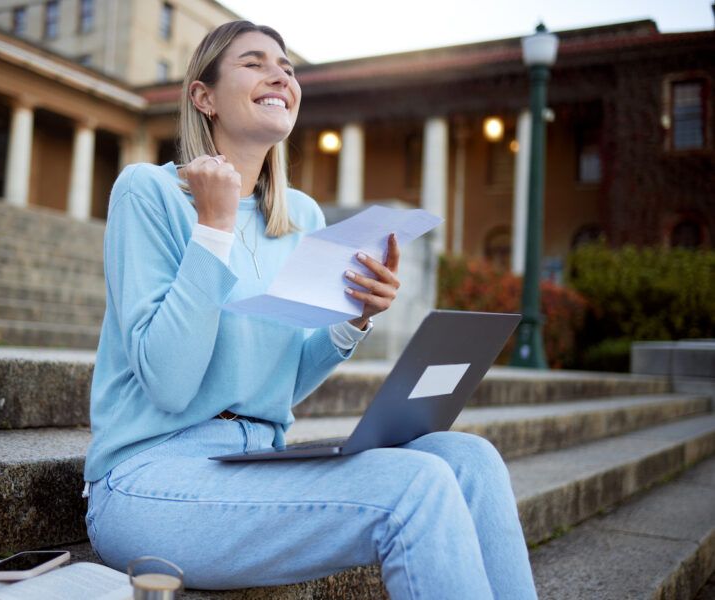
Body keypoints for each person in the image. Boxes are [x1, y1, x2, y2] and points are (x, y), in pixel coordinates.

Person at [83, 20, 537, 600]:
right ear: (204, 97)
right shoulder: (148, 192)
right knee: (414, 486)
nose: (280, 74)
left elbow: (282, 382)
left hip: (254, 464)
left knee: (470, 458)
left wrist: (354, 320)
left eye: (288, 67)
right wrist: (214, 228)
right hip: (150, 482)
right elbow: (170, 385)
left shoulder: (302, 218)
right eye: (254, 63)